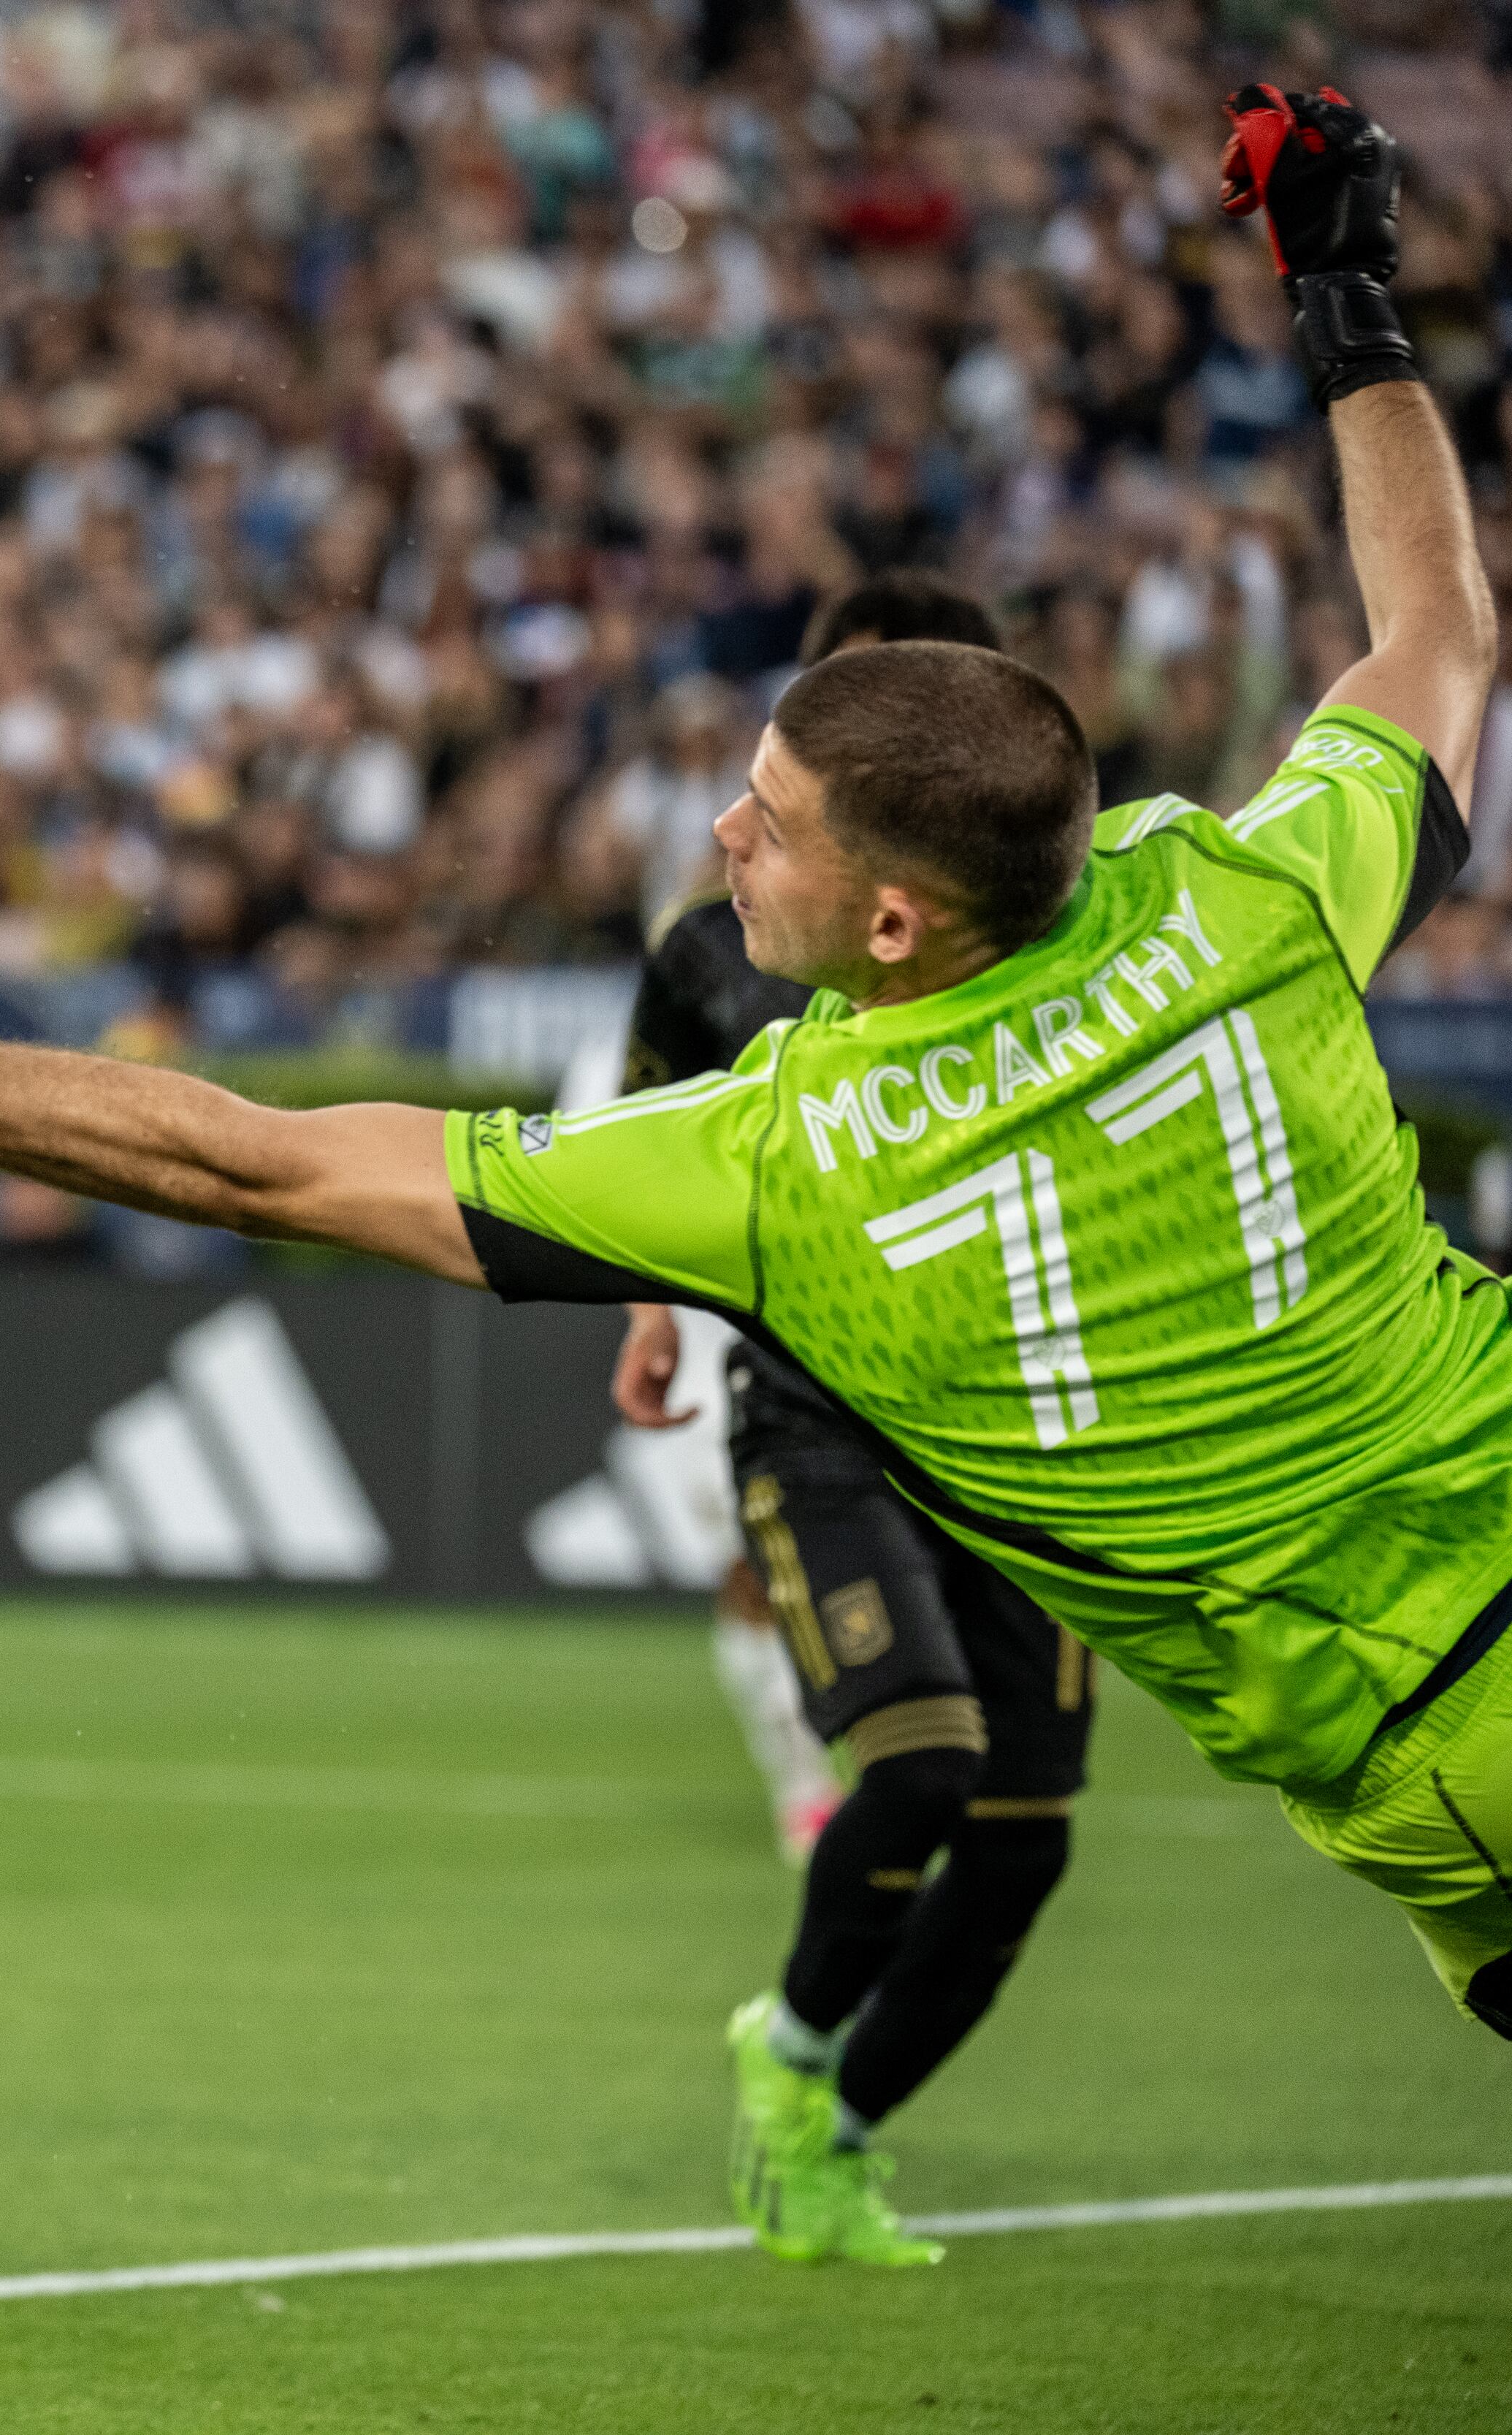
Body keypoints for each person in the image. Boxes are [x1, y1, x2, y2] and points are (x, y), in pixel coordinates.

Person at [0, 87, 1497, 2261]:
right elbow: (1431, 641)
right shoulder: (1245, 893)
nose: (722, 835)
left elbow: (268, 1167)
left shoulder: (783, 1164)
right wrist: (1343, 294)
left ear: (900, 920)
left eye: (767, 819)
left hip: (1428, 1743)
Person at [614, 571, 1094, 2265]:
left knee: (1022, 1845)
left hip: (1013, 1428)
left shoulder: (1057, 917)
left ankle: (834, 2123)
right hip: (815, 1412)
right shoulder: (715, 946)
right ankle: (794, 2048)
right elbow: (647, 1124)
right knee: (917, 1762)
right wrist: (650, 1311)